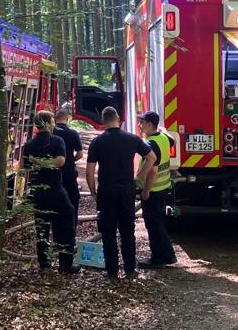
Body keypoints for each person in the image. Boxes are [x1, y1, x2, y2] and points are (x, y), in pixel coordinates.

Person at [85, 106, 153, 280]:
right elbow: (151, 157)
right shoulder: (132, 139)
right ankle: (130, 270)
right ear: (118, 119)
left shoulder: (97, 142)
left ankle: (112, 271)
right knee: (127, 231)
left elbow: (89, 172)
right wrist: (140, 176)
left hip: (106, 191)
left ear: (103, 120)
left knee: (108, 233)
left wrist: (93, 193)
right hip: (126, 190)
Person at [22, 110, 80, 274]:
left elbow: (27, 166)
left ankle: (44, 263)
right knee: (67, 222)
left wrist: (37, 160)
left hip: (38, 192)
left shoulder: (30, 145)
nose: (54, 124)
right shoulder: (57, 141)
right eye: (52, 121)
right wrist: (47, 162)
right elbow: (60, 161)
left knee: (42, 227)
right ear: (47, 123)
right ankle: (65, 264)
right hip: (55, 190)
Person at [136, 111, 177, 268]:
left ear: (150, 124)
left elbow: (152, 172)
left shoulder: (150, 144)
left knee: (153, 225)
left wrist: (145, 190)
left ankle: (158, 258)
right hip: (163, 187)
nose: (139, 125)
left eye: (142, 122)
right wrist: (162, 129)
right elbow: (173, 140)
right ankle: (169, 255)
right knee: (158, 223)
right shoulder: (163, 138)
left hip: (153, 191)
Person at [53, 107, 84, 226]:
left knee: (55, 203)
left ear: (55, 118)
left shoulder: (50, 133)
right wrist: (70, 160)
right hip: (69, 173)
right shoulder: (73, 133)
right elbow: (80, 154)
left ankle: (56, 228)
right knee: (72, 202)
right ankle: (72, 228)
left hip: (53, 173)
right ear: (67, 118)